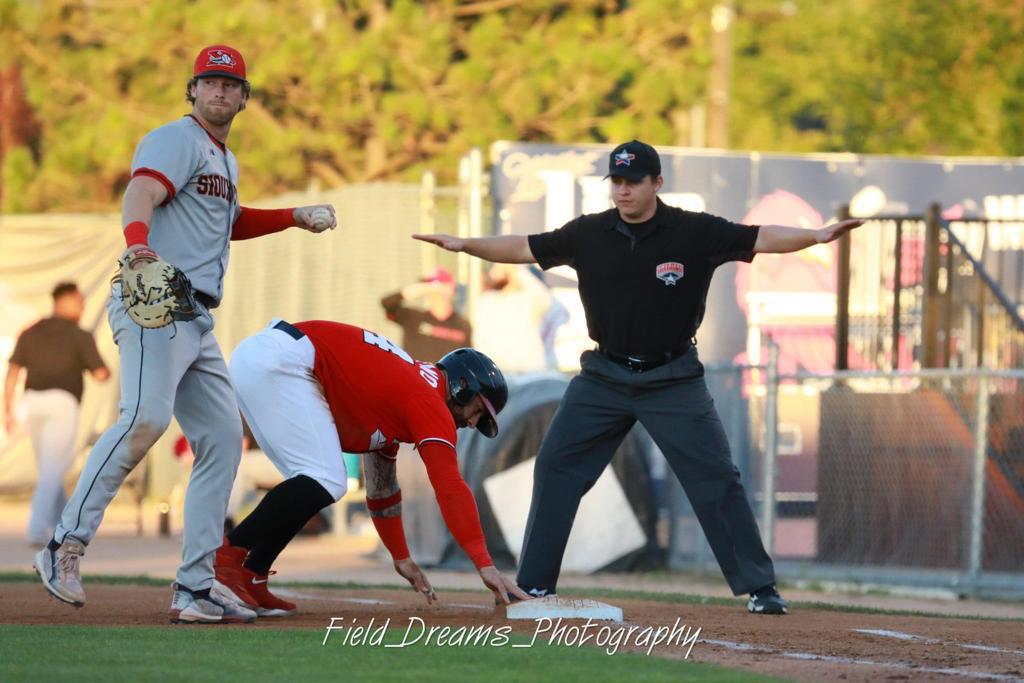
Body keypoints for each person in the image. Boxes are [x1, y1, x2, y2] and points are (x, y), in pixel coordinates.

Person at [414, 140, 865, 616]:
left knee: (716, 478)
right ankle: (536, 586)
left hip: (673, 377)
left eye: (633, 182)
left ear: (657, 184)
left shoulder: (693, 232)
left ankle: (760, 587)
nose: (623, 191)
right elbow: (525, 247)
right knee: (555, 466)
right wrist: (466, 246)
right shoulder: (589, 233)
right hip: (604, 376)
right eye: (617, 182)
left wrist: (816, 236)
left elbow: (761, 237)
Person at [34, 45, 338, 624]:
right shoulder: (176, 138)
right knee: (144, 418)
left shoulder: (224, 158)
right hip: (158, 292)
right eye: (209, 82)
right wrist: (138, 240)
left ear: (244, 98)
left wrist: (291, 216)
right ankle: (63, 546)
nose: (220, 91)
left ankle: (195, 585)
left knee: (223, 438)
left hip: (196, 314)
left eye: (230, 84)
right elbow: (141, 192)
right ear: (191, 90)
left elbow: (233, 220)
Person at [211, 318, 528, 616]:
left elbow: (383, 491)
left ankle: (253, 573)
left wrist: (401, 556)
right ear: (463, 385)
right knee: (325, 478)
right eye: (478, 411)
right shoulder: (429, 400)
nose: (473, 423)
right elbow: (449, 485)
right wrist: (485, 563)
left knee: (317, 481)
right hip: (281, 362)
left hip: (272, 358)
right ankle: (227, 559)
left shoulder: (408, 394)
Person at [5, 282, 110, 545]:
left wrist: (8, 408)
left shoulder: (31, 331)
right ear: (64, 300)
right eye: (79, 301)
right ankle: (37, 531)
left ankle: (64, 524)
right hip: (62, 404)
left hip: (31, 403)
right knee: (52, 470)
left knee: (49, 469)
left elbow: (13, 370)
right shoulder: (79, 335)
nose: (83, 306)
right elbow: (101, 374)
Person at [380, 267, 472, 361]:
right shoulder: (413, 318)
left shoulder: (463, 325)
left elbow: (468, 360)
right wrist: (421, 289)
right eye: (427, 288)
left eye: (433, 287)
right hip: (414, 375)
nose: (431, 292)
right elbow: (387, 303)